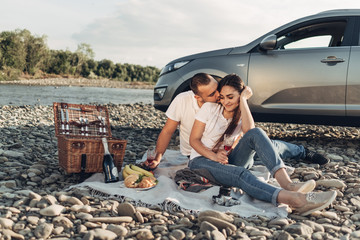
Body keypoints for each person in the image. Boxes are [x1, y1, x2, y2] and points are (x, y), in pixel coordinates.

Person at [188, 73, 336, 216]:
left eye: (231, 97)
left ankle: (288, 184)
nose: (225, 101)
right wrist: (213, 156)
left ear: (240, 95)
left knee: (257, 133)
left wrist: (244, 101)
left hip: (227, 160)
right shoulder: (209, 109)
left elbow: (249, 131)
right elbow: (193, 140)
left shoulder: (241, 114)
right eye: (222, 97)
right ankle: (296, 200)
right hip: (201, 161)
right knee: (242, 174)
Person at [143, 73, 329, 170]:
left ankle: (303, 152)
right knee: (260, 148)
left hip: (229, 150)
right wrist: (158, 157)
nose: (219, 95)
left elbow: (245, 132)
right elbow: (168, 131)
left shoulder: (225, 102)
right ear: (198, 97)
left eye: (218, 90)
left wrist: (242, 99)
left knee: (266, 146)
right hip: (199, 155)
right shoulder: (183, 100)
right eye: (213, 94)